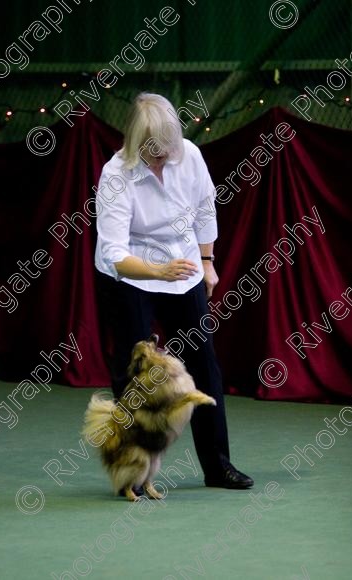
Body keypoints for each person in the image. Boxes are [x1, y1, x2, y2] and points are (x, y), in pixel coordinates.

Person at [95, 92, 253, 490]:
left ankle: (218, 468)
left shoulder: (190, 155)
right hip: (129, 274)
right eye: (153, 154)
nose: (163, 160)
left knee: (204, 367)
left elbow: (204, 208)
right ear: (136, 144)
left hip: (181, 268)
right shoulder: (115, 174)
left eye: (167, 151)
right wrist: (156, 271)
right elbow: (114, 251)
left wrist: (206, 261)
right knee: (133, 375)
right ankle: (131, 472)